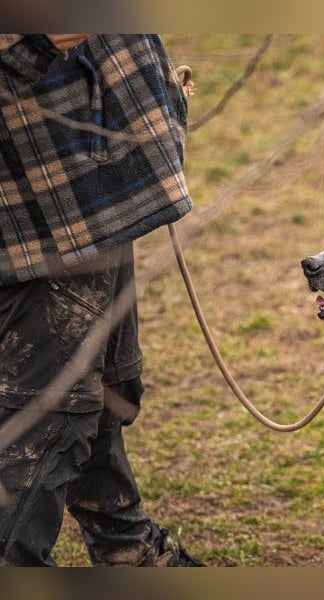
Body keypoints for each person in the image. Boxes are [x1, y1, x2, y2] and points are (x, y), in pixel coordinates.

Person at [0, 34, 202, 566]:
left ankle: (125, 548)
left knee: (109, 388)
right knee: (51, 416)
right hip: (41, 211)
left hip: (96, 188)